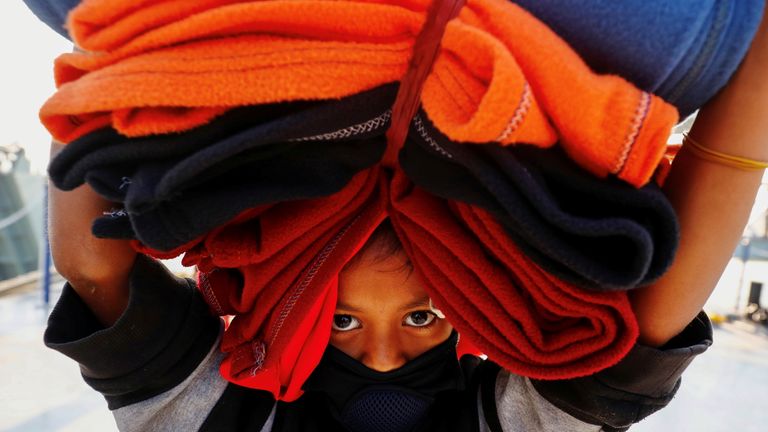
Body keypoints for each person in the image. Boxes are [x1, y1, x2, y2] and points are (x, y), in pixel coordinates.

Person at [43, 9, 768, 432]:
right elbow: (652, 319)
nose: (387, 356)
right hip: (539, 37)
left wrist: (114, 59)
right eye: (425, 320)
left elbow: (91, 266)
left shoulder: (223, 419)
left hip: (275, 30)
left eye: (341, 324)